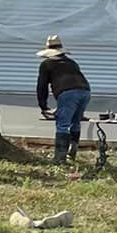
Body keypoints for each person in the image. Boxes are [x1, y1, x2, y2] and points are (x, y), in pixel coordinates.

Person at [36, 35, 90, 165]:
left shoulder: (46, 64)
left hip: (67, 93)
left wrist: (43, 107)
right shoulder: (71, 62)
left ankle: (60, 159)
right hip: (85, 91)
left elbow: (42, 86)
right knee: (75, 122)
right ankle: (73, 153)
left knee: (62, 125)